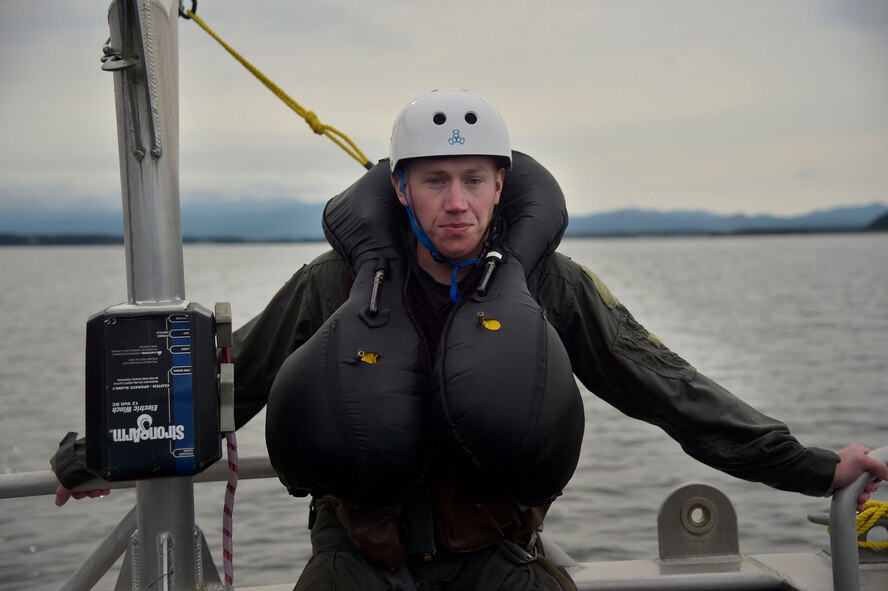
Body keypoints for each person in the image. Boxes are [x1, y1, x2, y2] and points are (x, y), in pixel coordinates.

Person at [53, 89, 888, 591]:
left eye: (475, 179)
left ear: (501, 186)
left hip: (498, 556)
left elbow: (663, 385)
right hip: (358, 562)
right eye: (435, 180)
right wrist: (90, 459)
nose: (457, 201)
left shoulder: (546, 287)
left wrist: (815, 466)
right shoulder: (332, 284)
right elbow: (222, 392)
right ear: (400, 189)